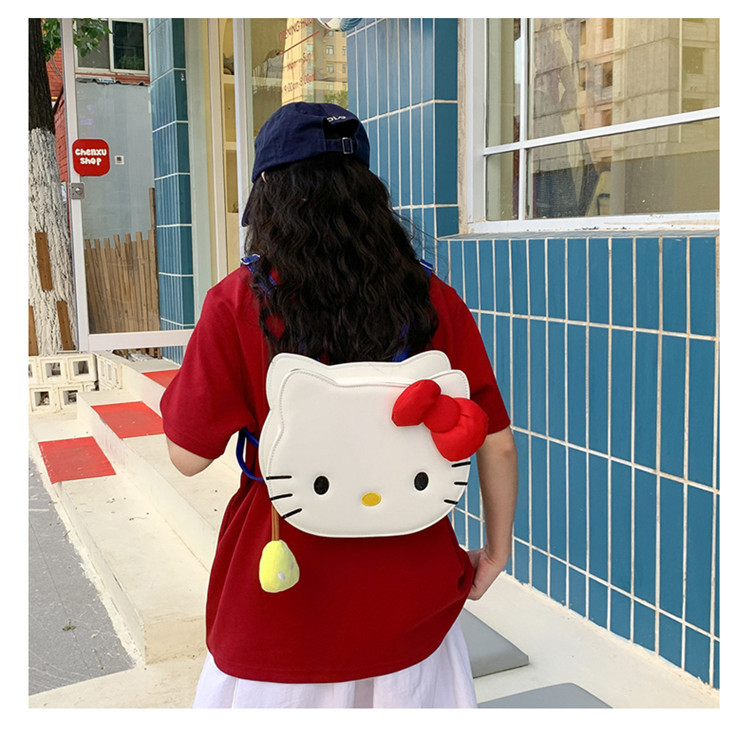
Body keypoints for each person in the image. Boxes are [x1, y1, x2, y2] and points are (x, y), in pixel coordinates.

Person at [160, 101, 518, 708]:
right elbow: (497, 442)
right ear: (368, 193)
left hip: (280, 604)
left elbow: (187, 457)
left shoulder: (238, 304)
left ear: (267, 197)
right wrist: (496, 550)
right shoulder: (432, 299)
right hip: (412, 607)